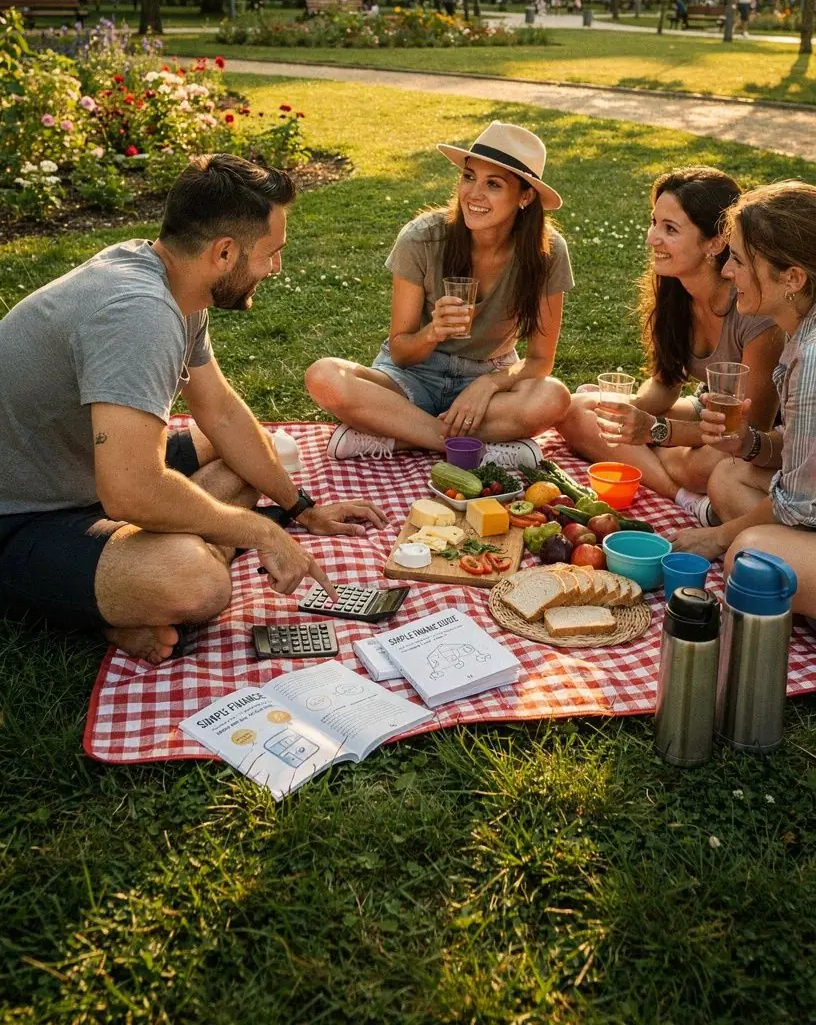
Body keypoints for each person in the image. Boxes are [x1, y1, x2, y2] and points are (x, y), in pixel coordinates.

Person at [0, 155, 386, 664]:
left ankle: (135, 588)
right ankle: (133, 597)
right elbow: (130, 491)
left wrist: (300, 509)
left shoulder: (173, 281)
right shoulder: (138, 315)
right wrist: (260, 530)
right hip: (20, 515)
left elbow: (221, 412)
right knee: (199, 584)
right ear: (224, 252)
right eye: (271, 253)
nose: (277, 268)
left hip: (80, 474)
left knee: (254, 451)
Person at [305, 122, 573, 466]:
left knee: (554, 397)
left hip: (487, 377)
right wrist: (433, 331)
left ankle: (395, 436)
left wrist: (489, 384)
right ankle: (466, 447)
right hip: (412, 378)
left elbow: (540, 360)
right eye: (468, 176)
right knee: (325, 377)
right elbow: (400, 352)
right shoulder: (421, 239)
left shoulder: (547, 252)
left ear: (525, 196)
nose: (473, 194)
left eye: (493, 184)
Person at [558, 168, 783, 521]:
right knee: (577, 410)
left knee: (708, 463)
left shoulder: (753, 309)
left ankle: (665, 478)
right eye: (654, 222)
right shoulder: (675, 290)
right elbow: (666, 385)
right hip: (706, 415)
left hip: (752, 440)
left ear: (715, 243)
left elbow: (747, 431)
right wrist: (629, 410)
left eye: (670, 229)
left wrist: (655, 431)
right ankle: (686, 498)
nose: (651, 238)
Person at [671, 182, 816, 616]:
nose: (727, 271)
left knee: (750, 557)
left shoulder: (811, 359)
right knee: (730, 475)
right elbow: (796, 455)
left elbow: (798, 505)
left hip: (805, 509)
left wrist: (719, 536)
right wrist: (749, 444)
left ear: (792, 277)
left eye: (737, 260)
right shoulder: (799, 334)